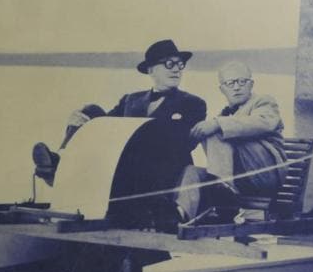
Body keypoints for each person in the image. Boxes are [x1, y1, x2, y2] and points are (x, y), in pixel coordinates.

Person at [32, 39, 207, 186]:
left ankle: (63, 169)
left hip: (162, 169)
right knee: (89, 111)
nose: (176, 69)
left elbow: (183, 144)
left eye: (180, 64)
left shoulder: (193, 103)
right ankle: (59, 162)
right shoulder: (130, 99)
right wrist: (78, 121)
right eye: (169, 64)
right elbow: (103, 125)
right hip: (123, 162)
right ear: (151, 70)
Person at [179, 61, 287, 220]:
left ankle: (224, 191)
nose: (236, 87)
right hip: (240, 180)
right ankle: (180, 215)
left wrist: (217, 124)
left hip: (265, 174)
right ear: (222, 89)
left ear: (251, 84)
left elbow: (264, 122)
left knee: (217, 130)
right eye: (230, 83)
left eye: (242, 82)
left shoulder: (263, 102)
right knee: (192, 172)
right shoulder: (225, 114)